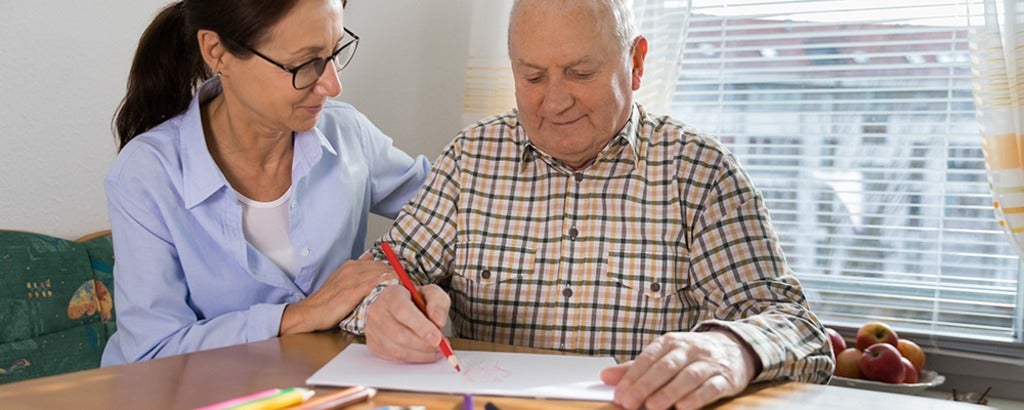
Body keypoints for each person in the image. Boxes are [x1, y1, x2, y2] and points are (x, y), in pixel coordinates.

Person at [341, 0, 833, 408]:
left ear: (636, 64)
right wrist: (380, 307)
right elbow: (383, 269)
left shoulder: (700, 173)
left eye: (580, 73)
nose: (555, 102)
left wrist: (731, 349)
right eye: (533, 77)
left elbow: (796, 326)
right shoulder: (471, 158)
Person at [101, 0, 430, 365]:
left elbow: (451, 208)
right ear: (216, 51)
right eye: (305, 63)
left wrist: (420, 289)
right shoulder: (146, 175)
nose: (333, 85)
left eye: (335, 52)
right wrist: (301, 315)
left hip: (323, 385)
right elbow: (153, 352)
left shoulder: (348, 134)